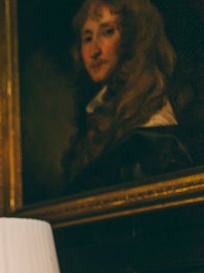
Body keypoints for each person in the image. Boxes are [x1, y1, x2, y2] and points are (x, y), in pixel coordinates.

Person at [62, 0, 193, 193]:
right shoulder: (95, 112)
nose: (94, 51)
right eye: (87, 38)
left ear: (134, 40)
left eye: (108, 32)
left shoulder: (154, 119)